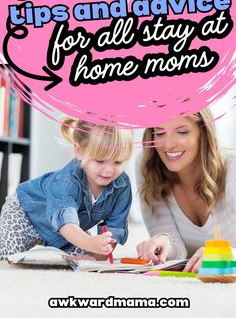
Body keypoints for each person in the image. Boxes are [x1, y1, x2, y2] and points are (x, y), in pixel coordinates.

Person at [0, 118, 133, 260]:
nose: (109, 171)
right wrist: (90, 243)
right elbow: (66, 224)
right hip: (26, 215)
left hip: (66, 235)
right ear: (79, 151)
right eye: (99, 161)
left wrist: (97, 257)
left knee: (83, 261)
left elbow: (114, 229)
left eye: (118, 162)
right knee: (5, 254)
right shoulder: (66, 181)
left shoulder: (122, 185)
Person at [136, 108, 236, 272]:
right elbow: (177, 252)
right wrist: (163, 241)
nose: (168, 145)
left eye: (182, 132)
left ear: (203, 133)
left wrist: (227, 255)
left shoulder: (232, 169)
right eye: (160, 133)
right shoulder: (147, 165)